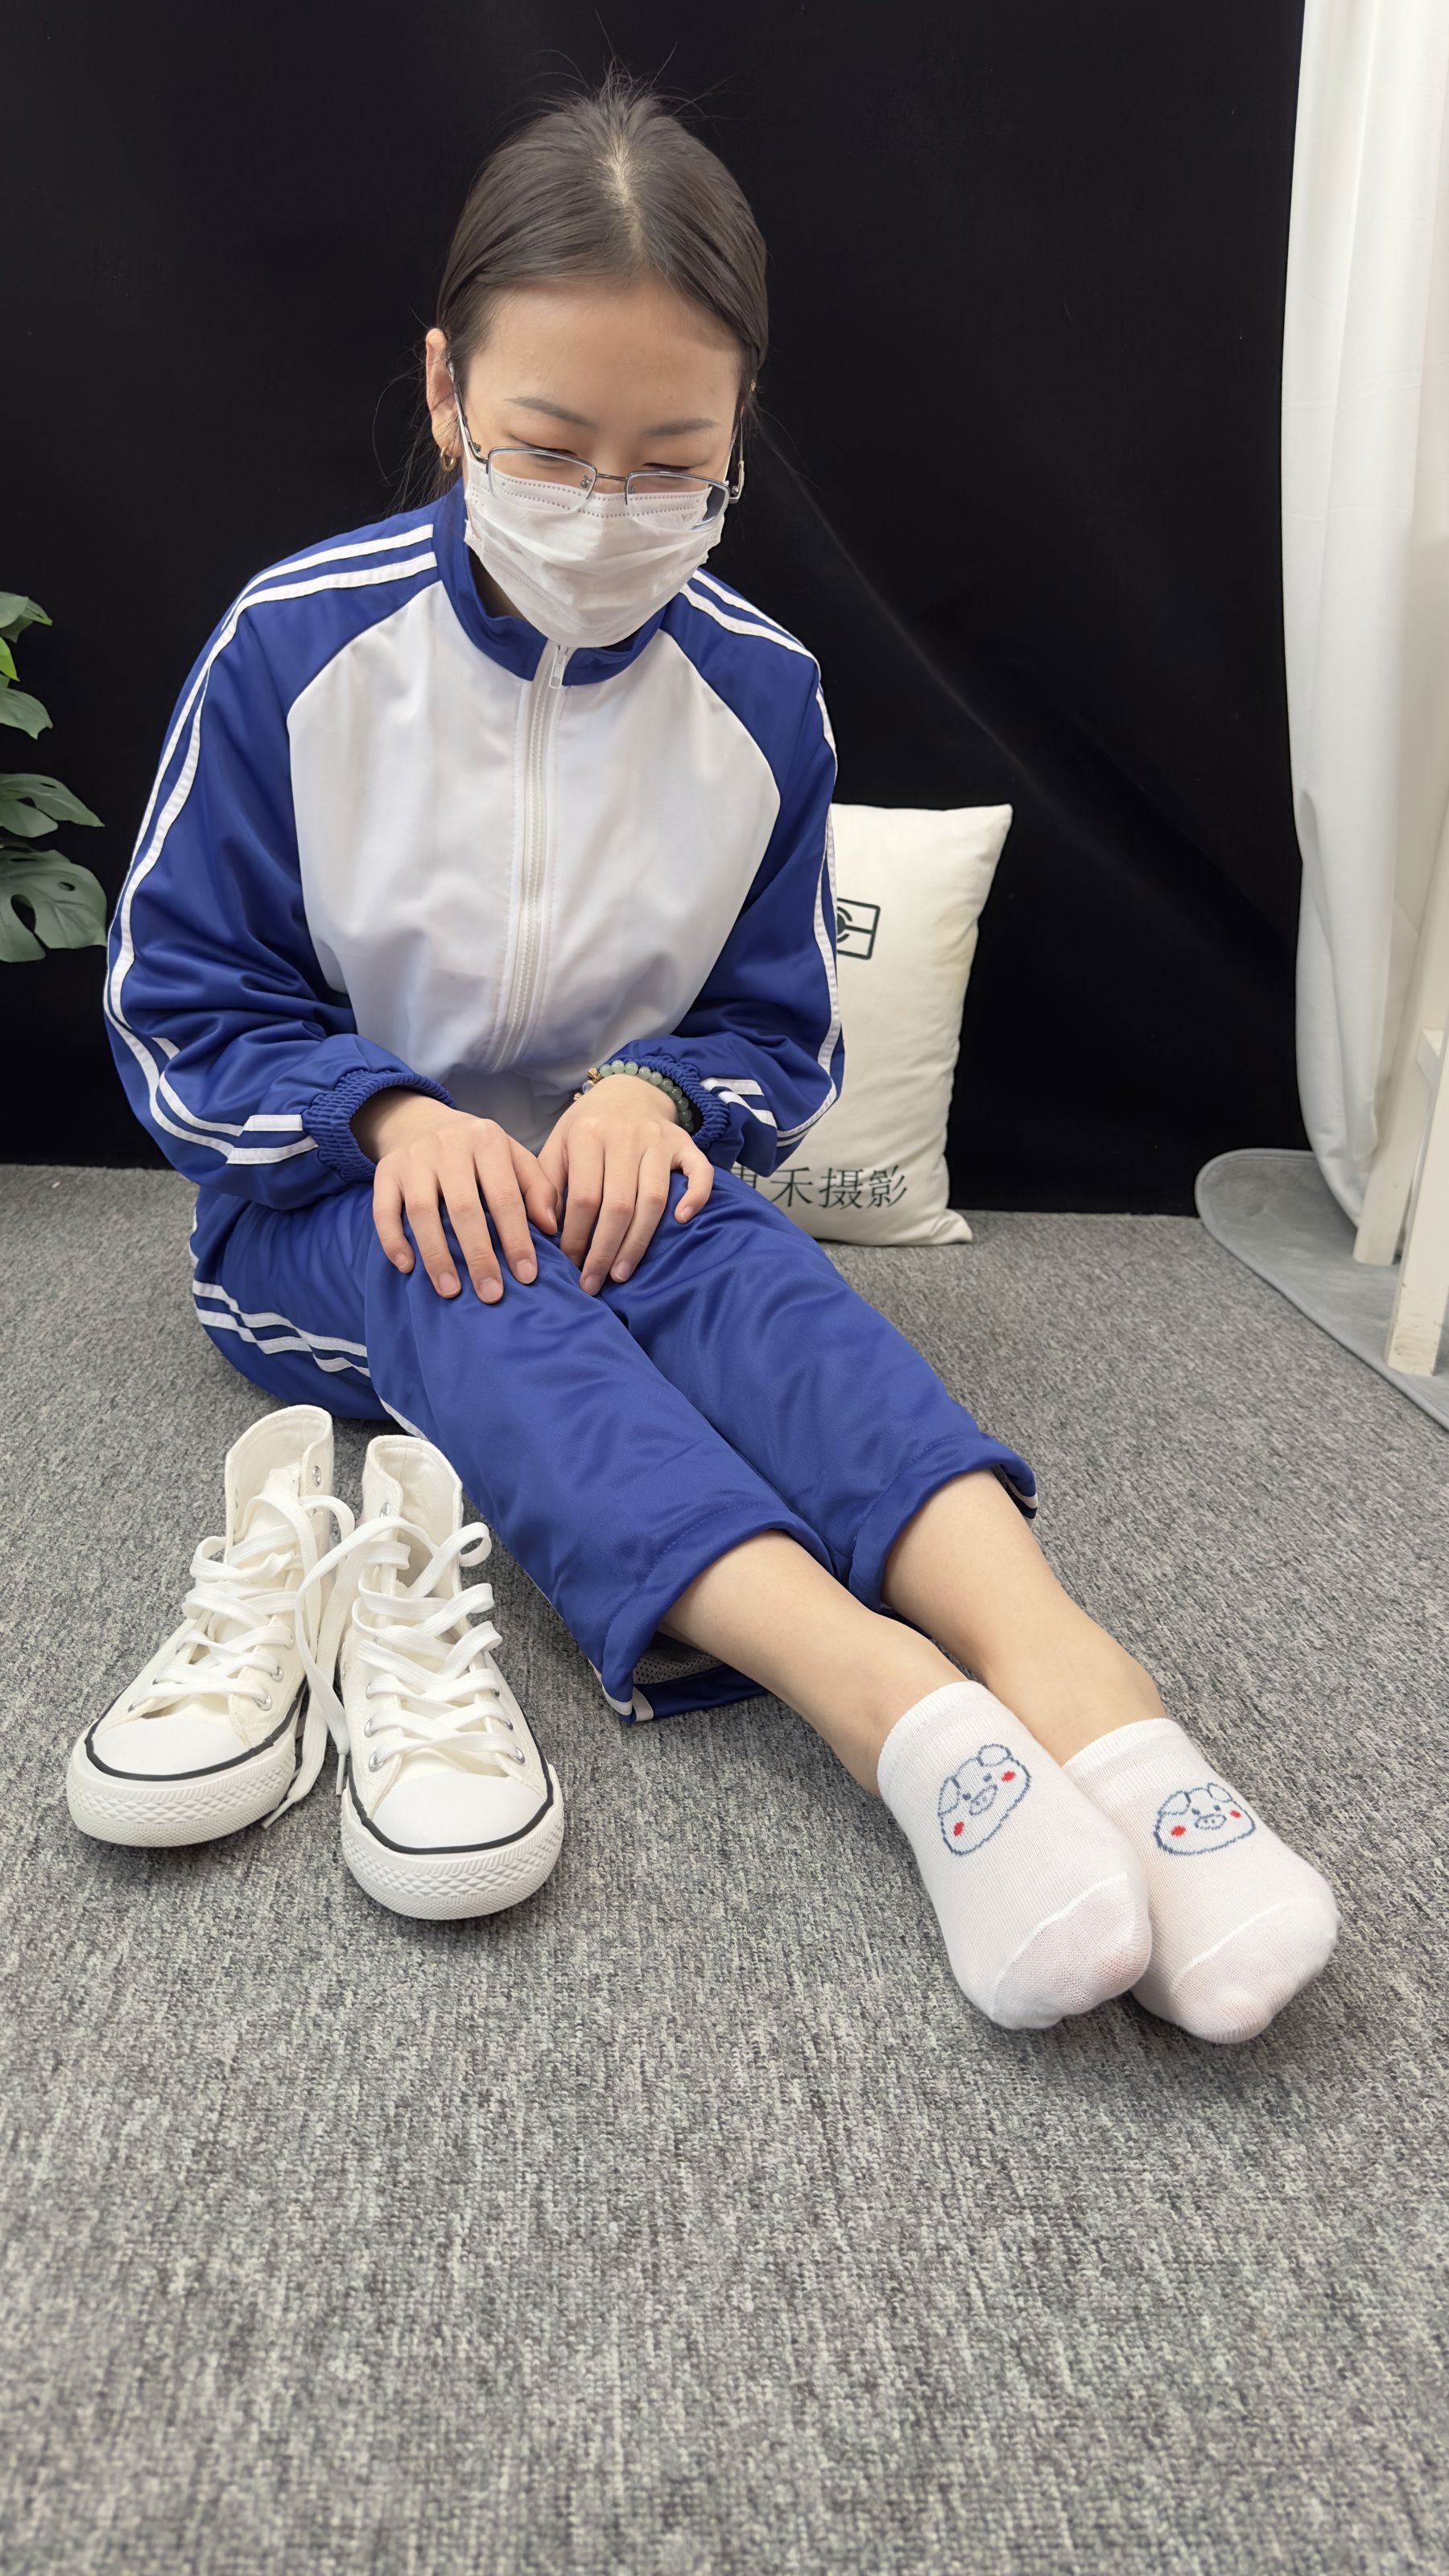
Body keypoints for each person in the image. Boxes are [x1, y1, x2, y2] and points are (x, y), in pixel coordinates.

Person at [97, 68, 1338, 2035]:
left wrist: (658, 1094)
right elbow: (176, 1009)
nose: (606, 509)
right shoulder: (294, 649)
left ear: (740, 433)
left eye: (670, 461)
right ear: (445, 392)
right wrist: (386, 1109)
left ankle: (1090, 1697)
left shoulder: (761, 691)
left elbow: (776, 1028)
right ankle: (898, 1712)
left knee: (753, 1268)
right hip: (327, 1216)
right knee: (475, 1270)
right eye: (548, 445)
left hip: (627, 1196)